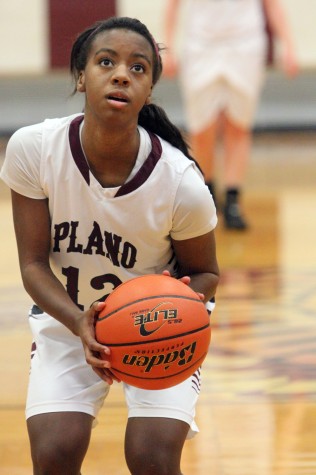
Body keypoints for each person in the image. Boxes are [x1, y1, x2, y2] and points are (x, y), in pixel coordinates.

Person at [0, 16, 219, 475]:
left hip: (157, 326)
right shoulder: (33, 150)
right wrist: (80, 322)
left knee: (151, 457)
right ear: (82, 76)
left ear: (149, 92)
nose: (122, 74)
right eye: (106, 62)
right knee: (55, 453)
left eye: (138, 68)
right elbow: (33, 264)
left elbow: (207, 273)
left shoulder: (181, 182)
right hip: (68, 316)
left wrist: (169, 308)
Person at [164, 0, 298, 230]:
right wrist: (167, 48)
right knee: (202, 129)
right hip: (200, 45)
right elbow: (172, 5)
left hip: (245, 43)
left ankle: (233, 200)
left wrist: (288, 44)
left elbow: (272, 4)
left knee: (238, 125)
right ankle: (207, 192)